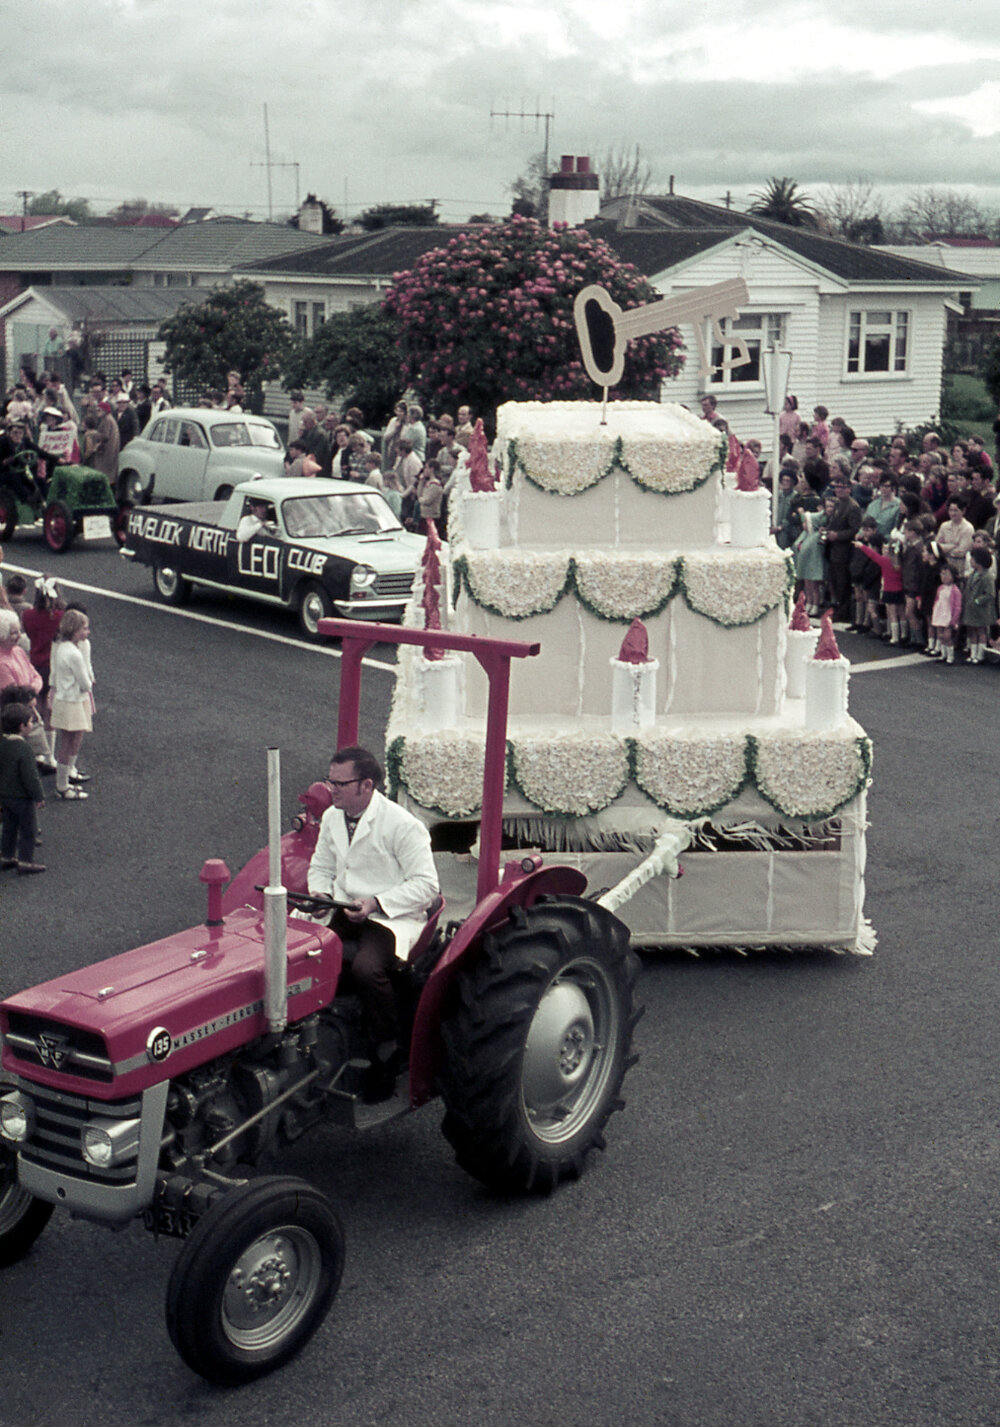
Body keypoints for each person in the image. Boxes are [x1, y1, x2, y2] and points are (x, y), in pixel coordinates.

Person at [307, 745, 439, 1101]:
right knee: (302, 955)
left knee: (366, 969)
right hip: (341, 907)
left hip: (388, 916)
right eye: (329, 781)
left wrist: (376, 902)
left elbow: (427, 887)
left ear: (366, 786)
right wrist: (319, 894)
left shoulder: (403, 826)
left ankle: (387, 1050)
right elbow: (321, 866)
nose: (330, 789)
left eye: (339, 783)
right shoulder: (334, 818)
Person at [50, 608, 94, 798]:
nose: (87, 632)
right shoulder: (74, 654)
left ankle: (65, 780)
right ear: (75, 630)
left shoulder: (61, 647)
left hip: (66, 700)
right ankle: (62, 785)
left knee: (68, 742)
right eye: (84, 628)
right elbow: (85, 683)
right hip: (72, 701)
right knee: (68, 744)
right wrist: (88, 684)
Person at [0, 701, 46, 874]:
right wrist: (38, 796)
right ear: (22, 726)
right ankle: (26, 861)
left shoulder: (2, 743)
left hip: (4, 795)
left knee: (9, 827)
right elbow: (30, 776)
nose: (32, 724)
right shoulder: (23, 748)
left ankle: (7, 856)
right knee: (28, 829)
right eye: (30, 721)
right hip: (22, 798)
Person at [962, 545, 995, 664]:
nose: (970, 561)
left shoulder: (987, 577)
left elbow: (990, 594)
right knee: (972, 631)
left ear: (979, 561)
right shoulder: (973, 574)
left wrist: (977, 601)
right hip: (971, 609)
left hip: (981, 610)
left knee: (981, 631)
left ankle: (980, 655)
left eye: (972, 559)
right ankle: (973, 654)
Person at [929, 562, 961, 664]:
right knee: (940, 635)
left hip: (948, 616)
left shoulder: (955, 590)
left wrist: (954, 619)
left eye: (946, 574)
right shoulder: (940, 588)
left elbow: (957, 607)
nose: (943, 576)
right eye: (942, 574)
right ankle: (943, 655)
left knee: (948, 636)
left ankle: (950, 657)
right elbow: (937, 600)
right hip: (940, 615)